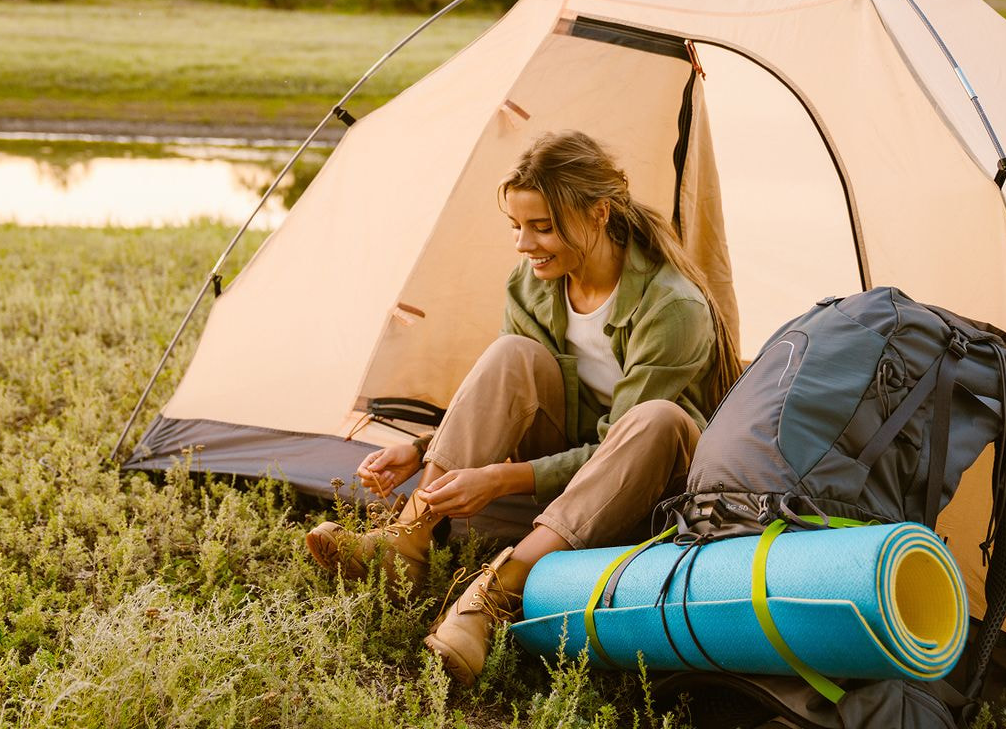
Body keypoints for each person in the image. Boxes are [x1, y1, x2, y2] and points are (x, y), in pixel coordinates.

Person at [305, 129, 742, 686]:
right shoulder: (531, 284)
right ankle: (407, 539)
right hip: (565, 470)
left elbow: (622, 443)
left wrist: (501, 478)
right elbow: (506, 395)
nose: (524, 244)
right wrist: (421, 451)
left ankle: (496, 594)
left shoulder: (672, 306)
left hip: (650, 482)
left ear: (599, 214)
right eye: (517, 226)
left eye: (543, 227)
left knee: (655, 418)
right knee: (512, 352)